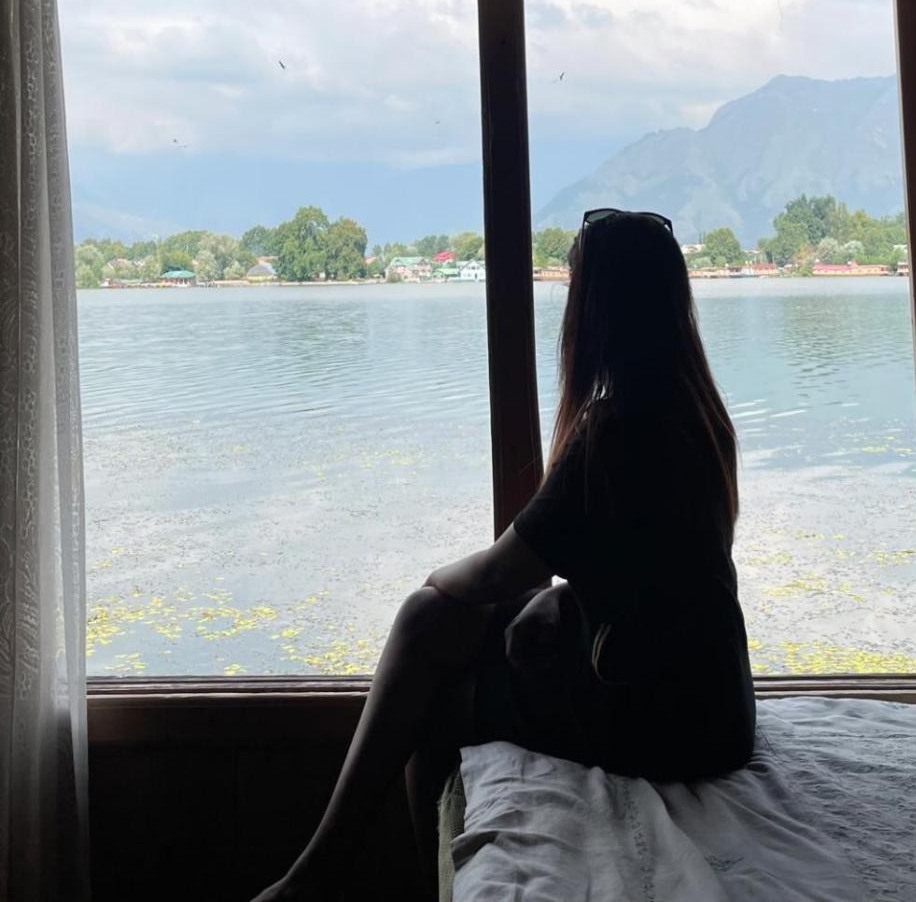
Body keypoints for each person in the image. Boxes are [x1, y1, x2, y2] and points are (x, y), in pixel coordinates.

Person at [250, 207, 754, 901]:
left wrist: (436, 584)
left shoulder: (613, 433)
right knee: (446, 627)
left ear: (595, 314)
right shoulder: (700, 419)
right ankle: (325, 873)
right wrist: (561, 596)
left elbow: (498, 571)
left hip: (658, 719)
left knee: (429, 659)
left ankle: (326, 874)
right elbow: (659, 571)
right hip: (717, 706)